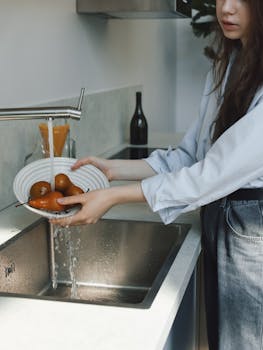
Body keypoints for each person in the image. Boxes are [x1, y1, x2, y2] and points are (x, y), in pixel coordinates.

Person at [50, 0, 263, 349]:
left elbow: (209, 175)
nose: (226, 8)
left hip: (251, 226)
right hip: (223, 217)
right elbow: (191, 155)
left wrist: (114, 195)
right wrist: (112, 170)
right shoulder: (228, 64)